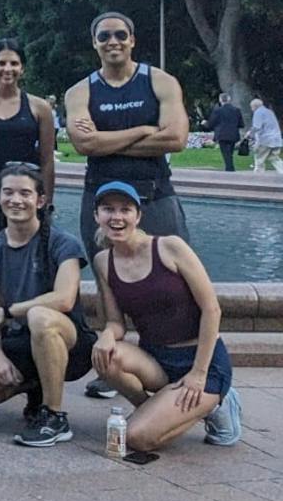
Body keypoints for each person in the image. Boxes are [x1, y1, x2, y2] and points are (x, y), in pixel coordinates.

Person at [64, 11, 191, 398]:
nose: (113, 41)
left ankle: (181, 364)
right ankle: (111, 365)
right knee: (108, 282)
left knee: (175, 281)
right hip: (101, 199)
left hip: (156, 196)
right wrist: (144, 130)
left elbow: (176, 139)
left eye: (120, 34)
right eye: (104, 36)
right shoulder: (80, 92)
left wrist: (107, 140)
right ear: (95, 43)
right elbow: (84, 144)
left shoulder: (160, 81)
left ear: (133, 39)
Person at [90, 181, 242, 449]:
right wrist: (105, 336)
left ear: (138, 216)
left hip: (201, 361)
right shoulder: (103, 261)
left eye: (125, 209)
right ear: (96, 215)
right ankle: (154, 409)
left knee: (136, 438)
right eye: (108, 209)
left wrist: (198, 373)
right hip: (156, 360)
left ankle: (218, 403)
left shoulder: (170, 247)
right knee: (105, 356)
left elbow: (212, 309)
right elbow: (115, 322)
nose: (116, 217)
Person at [0, 163, 97, 447]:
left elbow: (64, 298)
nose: (16, 200)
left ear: (41, 200)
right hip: (20, 341)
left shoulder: (63, 243)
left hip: (69, 341)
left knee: (39, 317)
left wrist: (11, 310)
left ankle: (54, 416)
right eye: (8, 192)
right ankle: (37, 386)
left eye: (25, 193)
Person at [0, 38, 56, 237]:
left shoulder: (39, 108)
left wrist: (47, 202)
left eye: (14, 63)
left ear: (22, 68)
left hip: (23, 194)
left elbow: (47, 160)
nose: (7, 69)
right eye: (1, 63)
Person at [205, 93, 245, 173]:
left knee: (225, 152)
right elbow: (241, 124)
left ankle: (229, 168)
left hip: (221, 134)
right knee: (230, 152)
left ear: (220, 100)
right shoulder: (236, 110)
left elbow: (211, 123)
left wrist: (205, 123)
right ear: (229, 99)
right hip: (233, 134)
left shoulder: (218, 111)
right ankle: (230, 167)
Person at [248, 97, 283, 173]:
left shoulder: (258, 113)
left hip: (265, 139)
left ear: (254, 106)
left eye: (251, 107)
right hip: (277, 139)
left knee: (259, 158)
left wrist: (249, 133)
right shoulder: (269, 112)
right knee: (274, 158)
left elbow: (257, 127)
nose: (251, 109)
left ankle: (258, 175)